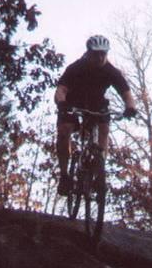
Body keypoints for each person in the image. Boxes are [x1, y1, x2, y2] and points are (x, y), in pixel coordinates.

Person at [54, 34, 137, 195]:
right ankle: (64, 176)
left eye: (103, 54)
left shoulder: (111, 71)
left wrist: (130, 107)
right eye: (96, 54)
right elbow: (61, 90)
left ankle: (100, 170)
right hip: (73, 101)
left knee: (104, 128)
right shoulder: (76, 68)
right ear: (88, 53)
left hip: (97, 103)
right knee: (64, 132)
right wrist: (62, 103)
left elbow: (126, 93)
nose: (99, 57)